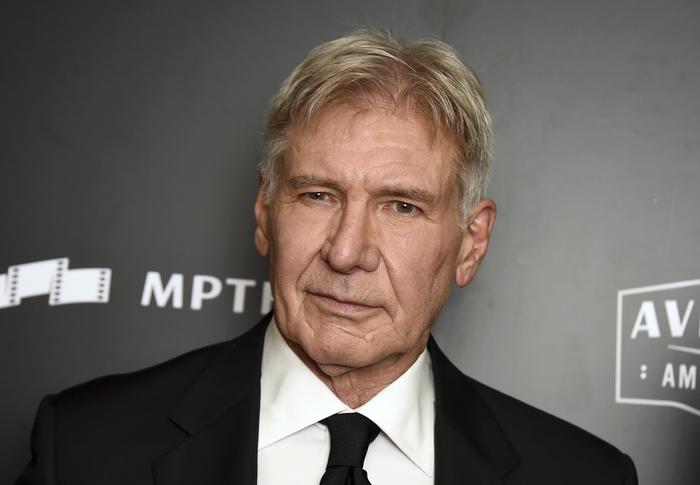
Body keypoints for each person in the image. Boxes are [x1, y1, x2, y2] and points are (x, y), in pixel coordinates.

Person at [16, 30, 637, 485]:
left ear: (470, 243)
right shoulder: (85, 448)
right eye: (317, 195)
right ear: (265, 212)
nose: (346, 252)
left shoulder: (584, 476)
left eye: (401, 207)